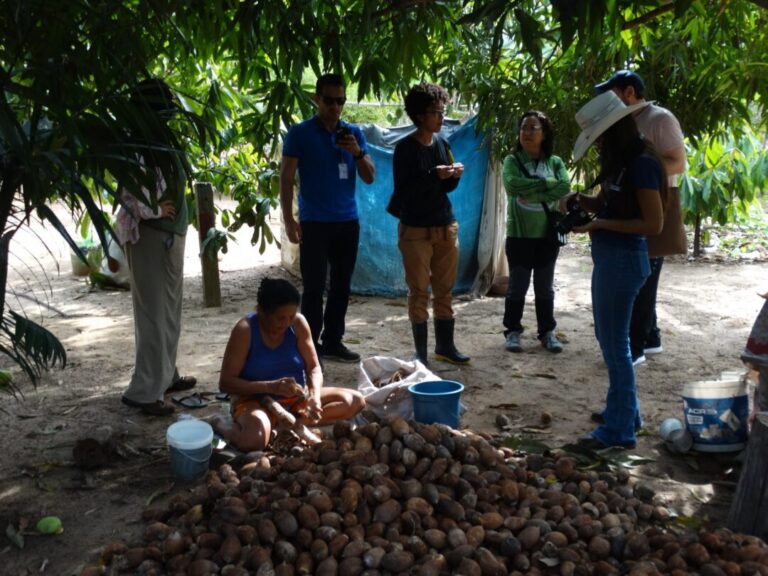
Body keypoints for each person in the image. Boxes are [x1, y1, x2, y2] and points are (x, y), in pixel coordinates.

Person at [567, 91, 666, 448]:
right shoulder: (624, 161)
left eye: (602, 136)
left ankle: (619, 430)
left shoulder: (642, 163)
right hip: (612, 258)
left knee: (615, 347)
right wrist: (581, 201)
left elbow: (652, 223)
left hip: (624, 260)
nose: (600, 144)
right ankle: (626, 412)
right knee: (611, 341)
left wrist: (598, 226)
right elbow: (612, 205)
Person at [279, 74, 375, 363]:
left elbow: (370, 177)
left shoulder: (353, 134)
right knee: (314, 285)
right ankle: (310, 345)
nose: (335, 107)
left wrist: (357, 153)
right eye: (329, 100)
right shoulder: (300, 133)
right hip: (315, 222)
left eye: (341, 101)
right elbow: (286, 178)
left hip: (348, 222)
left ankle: (333, 341)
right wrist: (288, 220)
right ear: (316, 98)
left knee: (342, 285)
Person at [595, 70, 687, 366]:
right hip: (628, 201)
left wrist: (642, 173)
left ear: (630, 92)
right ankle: (650, 337)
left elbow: (678, 162)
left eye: (613, 93)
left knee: (645, 271)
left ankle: (636, 345)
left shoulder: (660, 119)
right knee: (643, 270)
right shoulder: (625, 121)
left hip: (653, 200)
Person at [210, 278, 365, 452]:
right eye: (280, 318)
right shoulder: (245, 330)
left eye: (290, 317)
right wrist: (270, 387)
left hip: (296, 399)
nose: (286, 323)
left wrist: (314, 396)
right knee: (253, 441)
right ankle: (220, 423)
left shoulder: (298, 323)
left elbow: (314, 367)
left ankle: (285, 423)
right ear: (261, 311)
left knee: (356, 400)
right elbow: (226, 383)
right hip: (255, 401)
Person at [117, 78, 195, 417]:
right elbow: (126, 191)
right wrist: (153, 211)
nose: (168, 111)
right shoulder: (136, 141)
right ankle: (145, 391)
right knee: (153, 312)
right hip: (152, 234)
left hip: (169, 234)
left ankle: (166, 375)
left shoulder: (158, 137)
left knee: (169, 309)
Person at [390, 82, 469, 365]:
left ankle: (445, 347)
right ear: (420, 114)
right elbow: (405, 192)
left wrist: (453, 175)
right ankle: (420, 354)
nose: (441, 118)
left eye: (442, 112)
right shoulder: (405, 150)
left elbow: (446, 189)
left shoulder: (442, 143)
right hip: (415, 230)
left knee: (445, 290)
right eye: (436, 112)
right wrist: (434, 176)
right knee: (419, 291)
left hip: (445, 226)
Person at [501, 111, 570, 354]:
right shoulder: (512, 161)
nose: (527, 133)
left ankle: (547, 332)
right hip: (519, 235)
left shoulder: (555, 162)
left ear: (545, 133)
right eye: (523, 128)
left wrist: (532, 191)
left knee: (544, 287)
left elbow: (564, 186)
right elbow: (511, 186)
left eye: (533, 128)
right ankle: (512, 332)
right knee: (517, 287)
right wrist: (546, 185)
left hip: (546, 236)